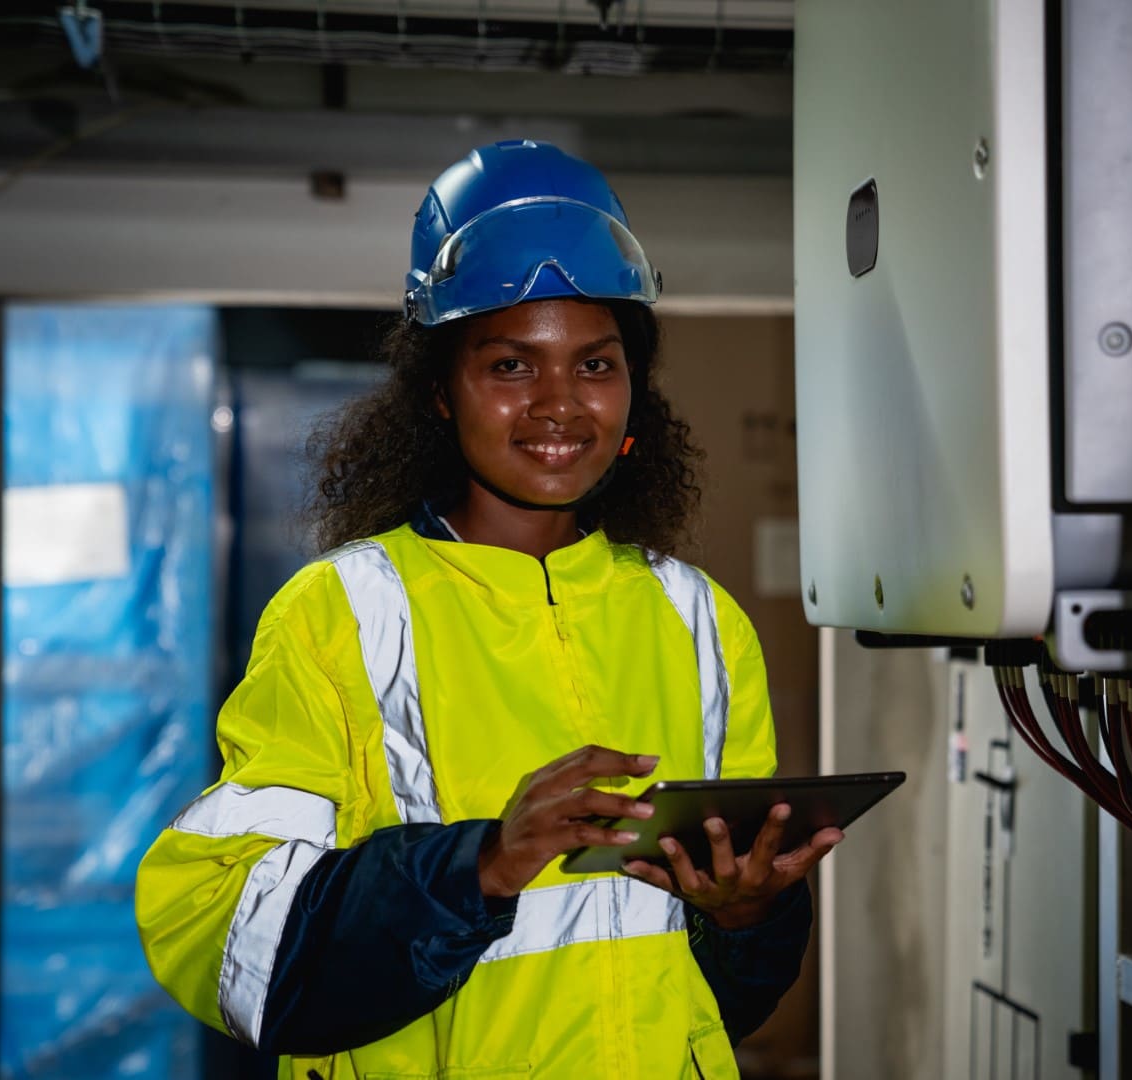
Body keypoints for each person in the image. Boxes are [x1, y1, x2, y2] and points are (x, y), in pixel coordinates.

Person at [135, 139, 842, 1080]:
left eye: (595, 366)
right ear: (437, 393)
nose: (560, 405)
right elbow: (217, 930)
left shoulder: (698, 618)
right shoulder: (341, 611)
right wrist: (480, 867)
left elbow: (710, 990)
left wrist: (749, 912)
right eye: (511, 367)